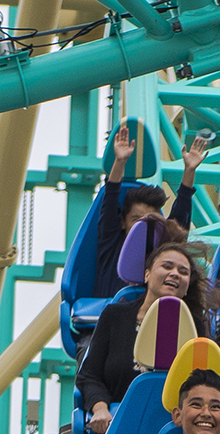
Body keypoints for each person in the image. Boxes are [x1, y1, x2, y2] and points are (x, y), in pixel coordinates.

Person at [76, 222, 211, 434]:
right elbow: (90, 374)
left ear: (187, 287)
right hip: (116, 422)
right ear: (147, 274)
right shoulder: (115, 315)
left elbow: (203, 381)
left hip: (171, 428)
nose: (175, 274)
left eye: (183, 272)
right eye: (167, 267)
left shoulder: (194, 325)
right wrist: (100, 409)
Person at [88, 120, 208, 301]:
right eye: (136, 219)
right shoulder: (111, 241)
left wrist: (189, 170)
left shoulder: (163, 249)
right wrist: (120, 161)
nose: (143, 225)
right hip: (107, 315)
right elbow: (110, 199)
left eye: (149, 219)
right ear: (123, 222)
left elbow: (180, 219)